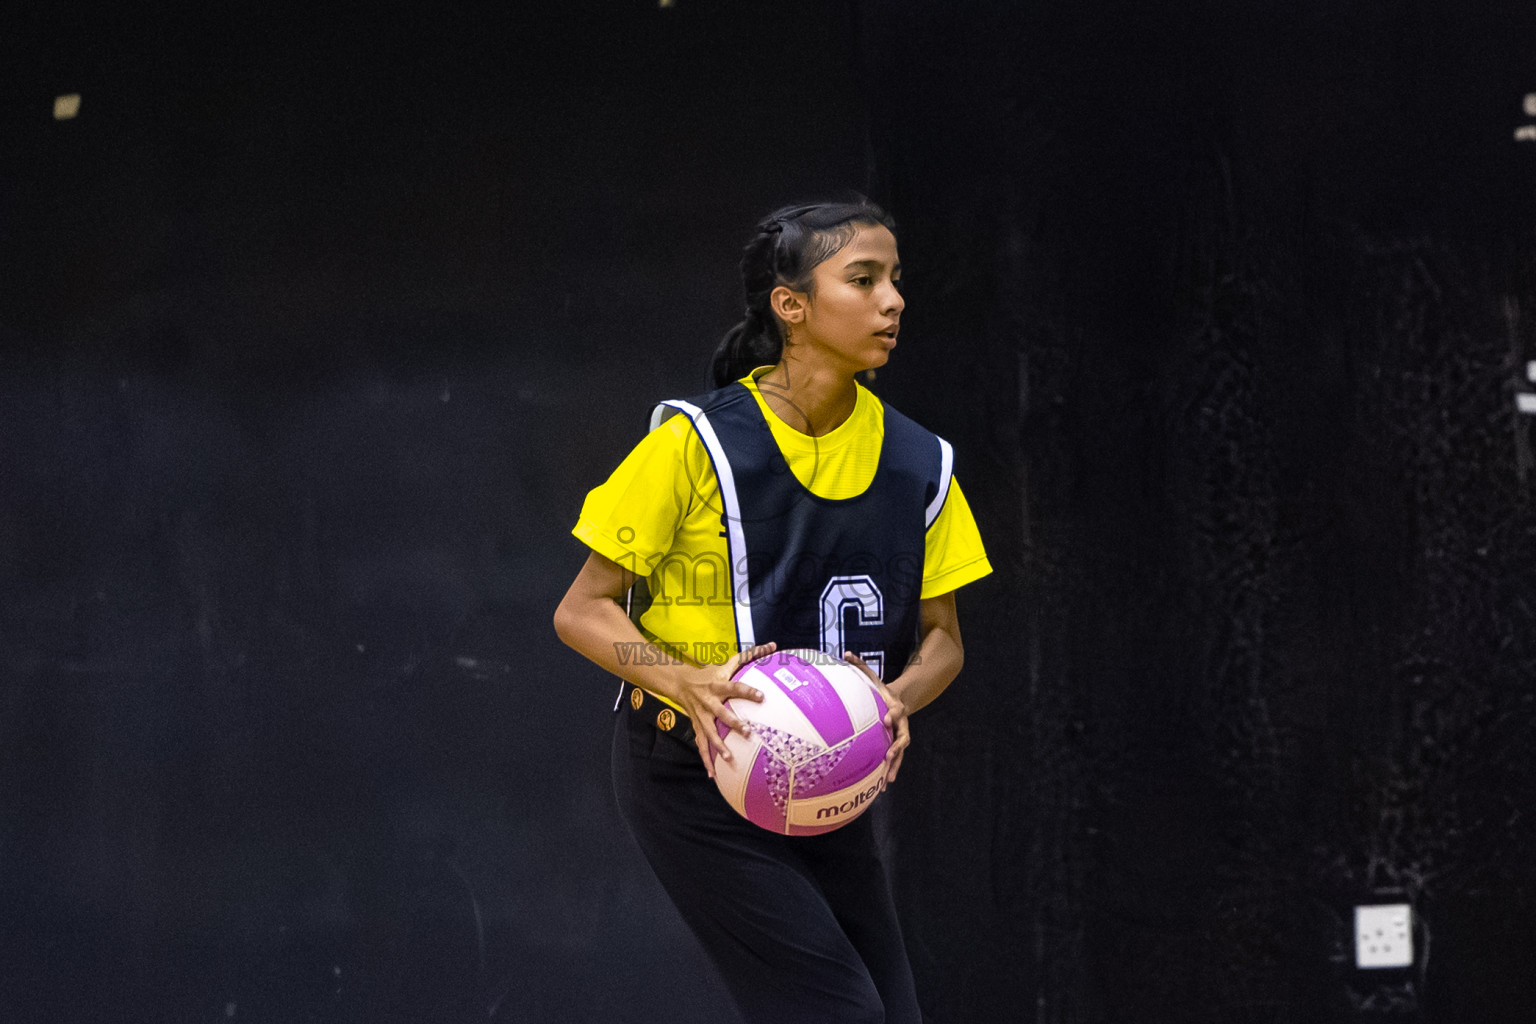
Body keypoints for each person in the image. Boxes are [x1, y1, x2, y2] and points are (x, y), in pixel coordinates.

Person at [553, 196, 991, 1023]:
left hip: (828, 770)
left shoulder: (919, 463)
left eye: (897, 280)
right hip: (692, 768)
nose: (893, 300)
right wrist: (688, 681)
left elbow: (944, 641)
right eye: (863, 280)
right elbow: (583, 610)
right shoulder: (694, 444)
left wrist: (896, 699)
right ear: (791, 306)